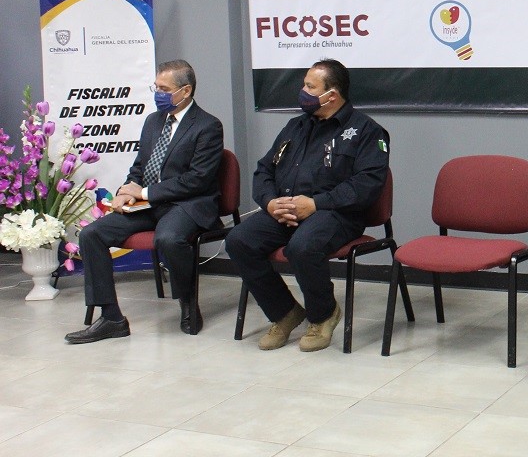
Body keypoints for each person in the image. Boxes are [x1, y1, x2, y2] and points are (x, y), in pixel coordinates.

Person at [226, 58, 389, 353]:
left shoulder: (367, 131)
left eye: (310, 87)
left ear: (332, 95)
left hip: (337, 214)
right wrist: (270, 202)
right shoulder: (296, 126)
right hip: (286, 210)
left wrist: (315, 204)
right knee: (239, 240)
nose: (302, 92)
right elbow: (264, 170)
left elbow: (367, 186)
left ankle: (323, 314)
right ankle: (285, 312)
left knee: (302, 247)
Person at [66, 60, 224, 343]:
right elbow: (140, 166)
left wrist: (145, 193)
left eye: (164, 89)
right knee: (92, 234)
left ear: (186, 91)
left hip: (187, 204)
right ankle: (111, 318)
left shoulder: (208, 126)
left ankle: (188, 301)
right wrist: (127, 191)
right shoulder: (153, 121)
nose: (158, 94)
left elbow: (197, 180)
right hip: (148, 205)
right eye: (156, 88)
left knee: (169, 238)